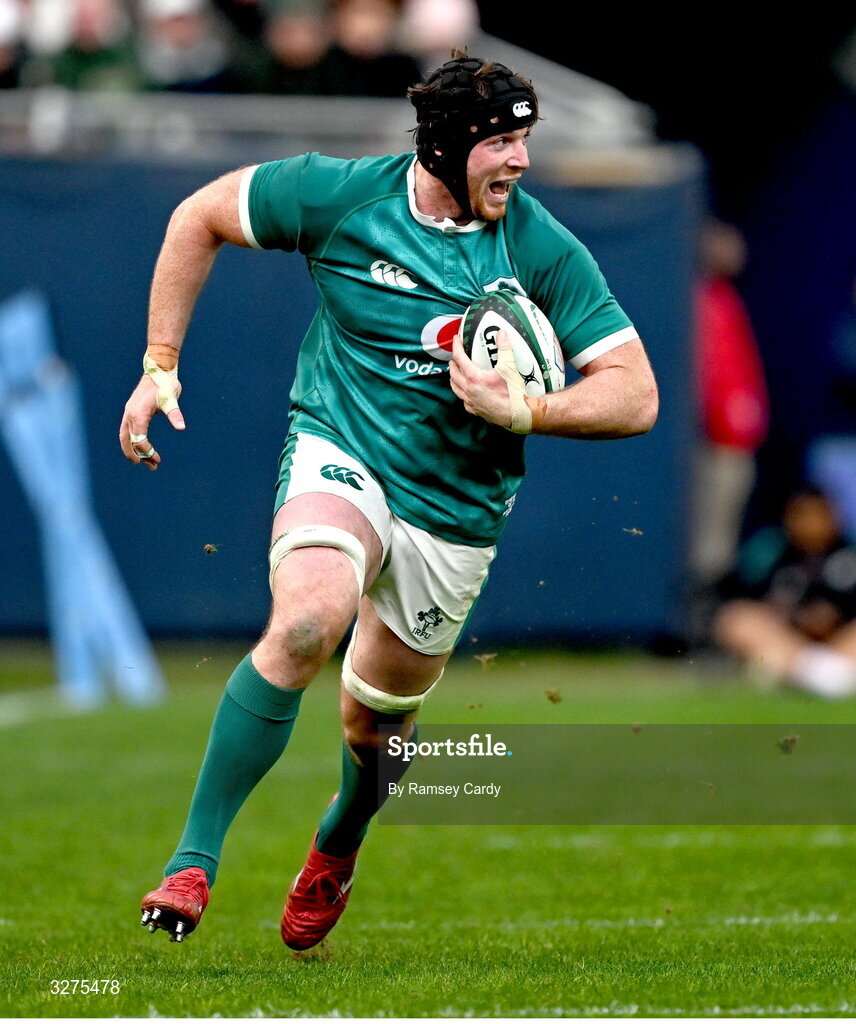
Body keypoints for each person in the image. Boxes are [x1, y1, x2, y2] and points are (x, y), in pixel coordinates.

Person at [119, 49, 658, 949]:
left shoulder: (538, 245)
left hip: (456, 509)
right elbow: (198, 214)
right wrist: (158, 364)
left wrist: (529, 407)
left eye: (526, 139)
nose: (520, 161)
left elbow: (636, 395)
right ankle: (193, 860)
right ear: (446, 148)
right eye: (501, 142)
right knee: (305, 619)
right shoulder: (336, 197)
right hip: (343, 448)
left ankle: (338, 842)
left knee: (375, 729)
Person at [714, 486, 856, 698]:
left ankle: (817, 673)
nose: (811, 524)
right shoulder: (770, 550)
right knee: (738, 619)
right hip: (790, 641)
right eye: (802, 515)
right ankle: (815, 674)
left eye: (818, 515)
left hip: (839, 642)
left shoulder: (849, 553)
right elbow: (739, 597)